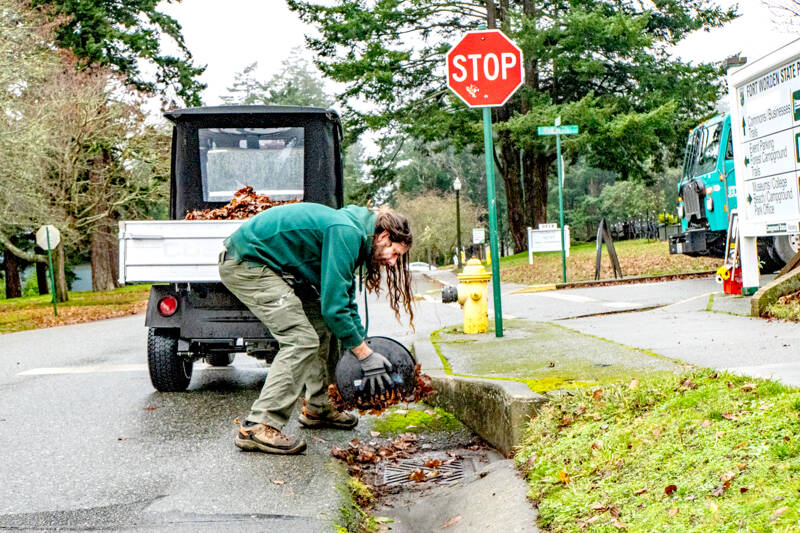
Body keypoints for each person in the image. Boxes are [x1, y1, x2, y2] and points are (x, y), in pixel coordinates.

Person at [218, 202, 414, 454]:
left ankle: (320, 407)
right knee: (300, 339)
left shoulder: (355, 234)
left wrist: (365, 346)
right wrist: (365, 355)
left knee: (324, 327)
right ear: (384, 236)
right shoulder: (347, 232)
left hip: (276, 268)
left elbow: (344, 302)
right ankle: (258, 425)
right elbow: (335, 307)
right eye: (395, 253)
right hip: (247, 262)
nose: (393, 262)